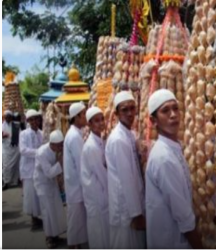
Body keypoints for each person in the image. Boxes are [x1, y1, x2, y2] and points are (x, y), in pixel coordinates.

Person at [145, 89, 203, 249]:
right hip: (170, 240)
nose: (173, 115)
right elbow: (182, 215)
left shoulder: (172, 149)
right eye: (165, 111)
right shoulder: (164, 158)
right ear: (153, 120)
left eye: (175, 108)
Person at [105, 91, 146, 249]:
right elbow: (127, 180)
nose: (130, 113)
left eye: (132, 108)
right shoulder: (118, 140)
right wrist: (136, 215)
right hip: (127, 210)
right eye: (124, 110)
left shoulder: (128, 133)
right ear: (116, 113)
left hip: (130, 205)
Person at [81, 107, 109, 249]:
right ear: (90, 125)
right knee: (99, 235)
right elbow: (102, 174)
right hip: (97, 196)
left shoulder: (100, 141)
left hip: (100, 195)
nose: (101, 123)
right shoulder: (91, 146)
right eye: (96, 121)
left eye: (102, 119)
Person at [34, 130, 67, 249]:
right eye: (59, 145)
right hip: (42, 183)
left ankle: (55, 234)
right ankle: (49, 237)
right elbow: (48, 173)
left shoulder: (57, 150)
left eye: (61, 145)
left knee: (56, 209)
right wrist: (60, 162)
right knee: (47, 211)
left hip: (52, 183)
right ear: (52, 144)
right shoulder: (42, 153)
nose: (61, 147)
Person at [63, 102, 88, 248]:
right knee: (75, 222)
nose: (85, 117)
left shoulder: (75, 133)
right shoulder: (74, 137)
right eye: (84, 114)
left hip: (75, 186)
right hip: (76, 188)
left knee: (77, 221)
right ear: (77, 117)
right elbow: (81, 165)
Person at [19, 109, 43, 231]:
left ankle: (37, 217)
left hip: (39, 168)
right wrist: (38, 152)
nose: (35, 121)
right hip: (28, 169)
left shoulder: (41, 133)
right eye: (32, 119)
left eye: (36, 119)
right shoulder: (23, 134)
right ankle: (34, 219)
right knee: (31, 195)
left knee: (39, 194)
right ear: (28, 121)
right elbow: (23, 150)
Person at [3, 110, 21, 190]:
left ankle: (14, 181)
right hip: (6, 149)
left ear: (11, 117)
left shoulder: (16, 125)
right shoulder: (1, 126)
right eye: (6, 116)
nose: (7, 118)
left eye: (9, 116)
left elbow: (20, 135)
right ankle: (6, 181)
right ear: (4, 117)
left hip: (15, 148)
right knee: (6, 165)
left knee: (16, 165)